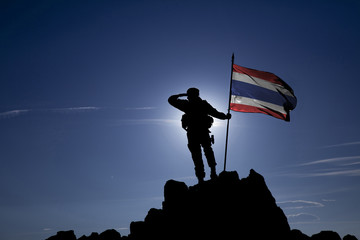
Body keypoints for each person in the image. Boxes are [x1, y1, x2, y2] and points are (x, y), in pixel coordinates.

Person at [168, 88, 231, 183]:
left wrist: (225, 117)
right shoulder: (195, 104)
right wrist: (225, 117)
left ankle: (206, 175)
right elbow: (216, 113)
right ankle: (206, 175)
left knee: (201, 154)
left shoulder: (190, 104)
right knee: (201, 153)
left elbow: (215, 113)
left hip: (198, 132)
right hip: (197, 132)